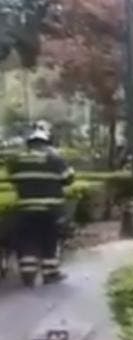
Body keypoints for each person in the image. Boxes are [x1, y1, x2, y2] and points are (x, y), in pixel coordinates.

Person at [7, 121, 74, 286]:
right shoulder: (54, 158)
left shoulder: (17, 160)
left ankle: (28, 274)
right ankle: (50, 273)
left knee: (27, 239)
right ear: (46, 142)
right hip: (51, 209)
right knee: (49, 239)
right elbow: (69, 178)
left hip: (26, 209)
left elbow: (13, 179)